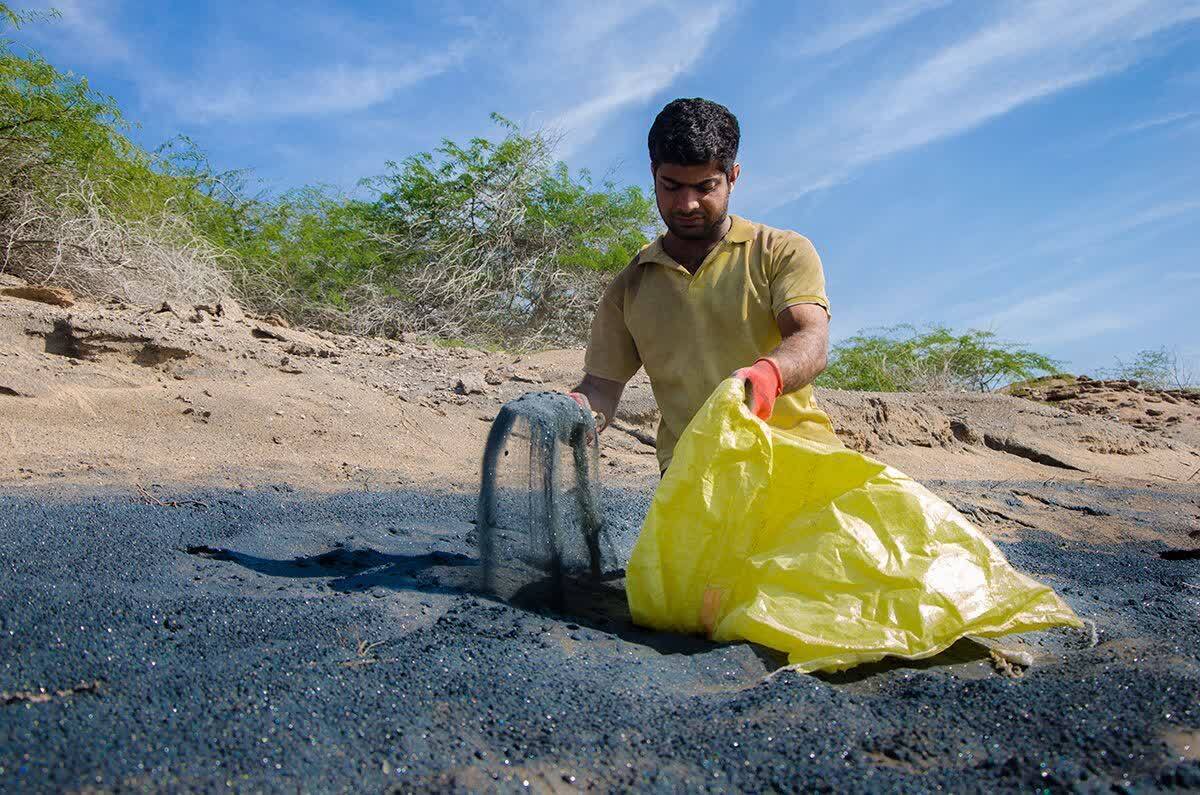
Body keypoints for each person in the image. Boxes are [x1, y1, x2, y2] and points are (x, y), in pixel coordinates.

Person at [570, 97, 839, 474]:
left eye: (704, 186)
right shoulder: (631, 285)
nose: (687, 203)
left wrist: (769, 374)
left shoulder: (780, 251)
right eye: (672, 186)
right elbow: (601, 388)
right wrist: (575, 412)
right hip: (691, 479)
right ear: (653, 174)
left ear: (733, 176)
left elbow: (811, 338)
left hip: (794, 463)